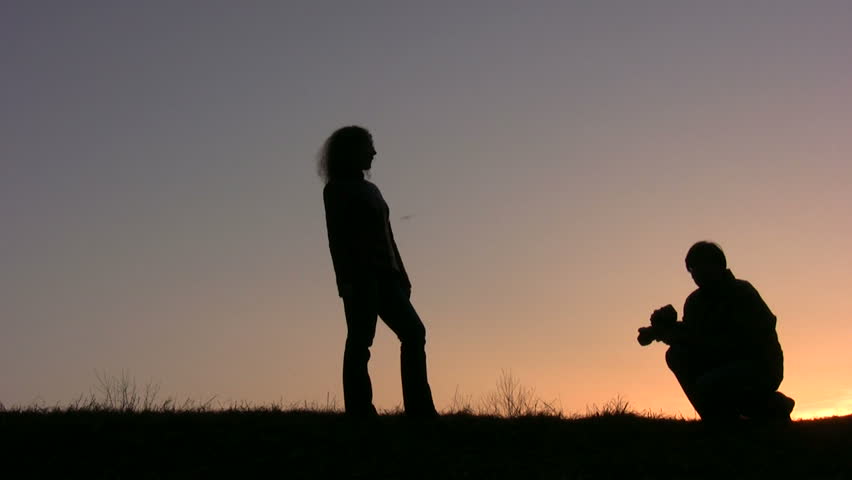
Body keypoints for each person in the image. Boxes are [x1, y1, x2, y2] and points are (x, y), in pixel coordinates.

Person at [319, 125, 438, 418]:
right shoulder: (336, 190)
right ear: (351, 151)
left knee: (414, 332)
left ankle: (419, 409)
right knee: (360, 340)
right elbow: (337, 239)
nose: (374, 152)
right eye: (368, 146)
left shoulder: (372, 189)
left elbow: (388, 235)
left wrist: (402, 274)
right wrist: (345, 280)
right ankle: (360, 411)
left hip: (387, 276)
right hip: (361, 276)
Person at [637, 241, 795, 422]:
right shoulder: (695, 302)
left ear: (719, 265)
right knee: (677, 355)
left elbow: (744, 340)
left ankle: (775, 405)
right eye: (693, 269)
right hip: (720, 363)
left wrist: (685, 337)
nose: (697, 273)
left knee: (710, 383)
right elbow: (693, 334)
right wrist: (662, 330)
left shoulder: (742, 292)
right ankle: (717, 419)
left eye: (702, 265)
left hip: (759, 365)